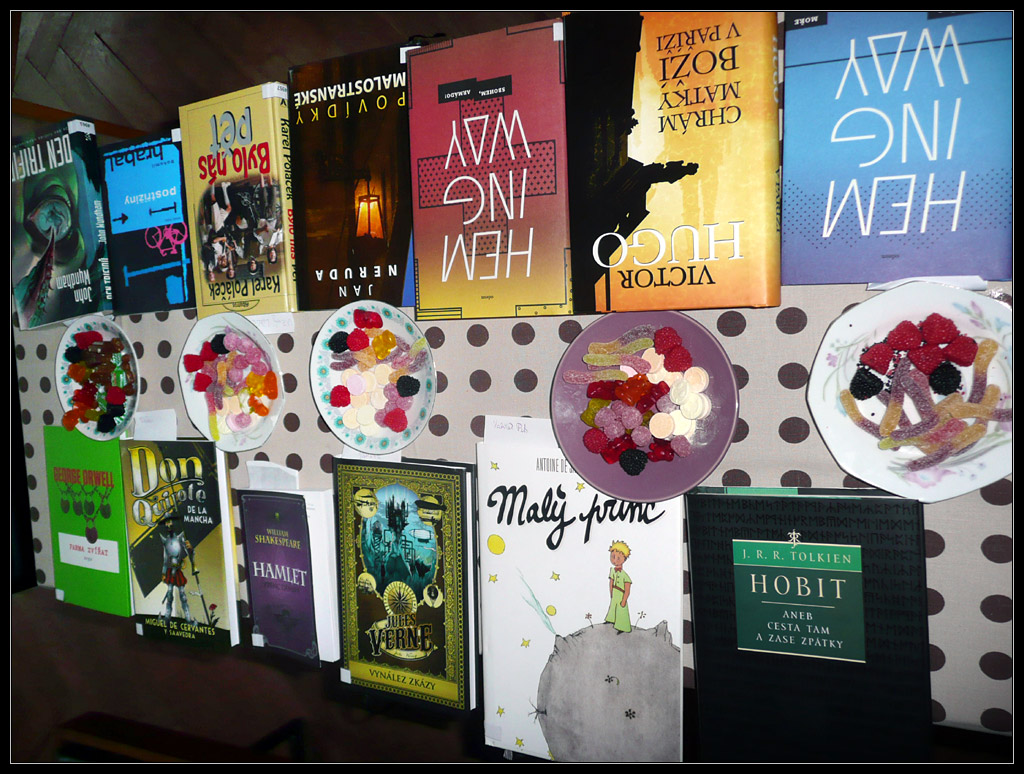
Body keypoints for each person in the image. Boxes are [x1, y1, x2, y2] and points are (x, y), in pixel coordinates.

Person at [605, 540, 632, 633]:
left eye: (618, 558)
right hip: (615, 592)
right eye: (613, 557)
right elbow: (611, 582)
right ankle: (611, 620)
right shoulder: (612, 570)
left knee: (621, 609)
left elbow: (627, 589)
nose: (615, 560)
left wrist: (624, 600)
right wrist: (611, 592)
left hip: (621, 594)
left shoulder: (625, 575)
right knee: (613, 607)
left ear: (624, 559)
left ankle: (622, 627)